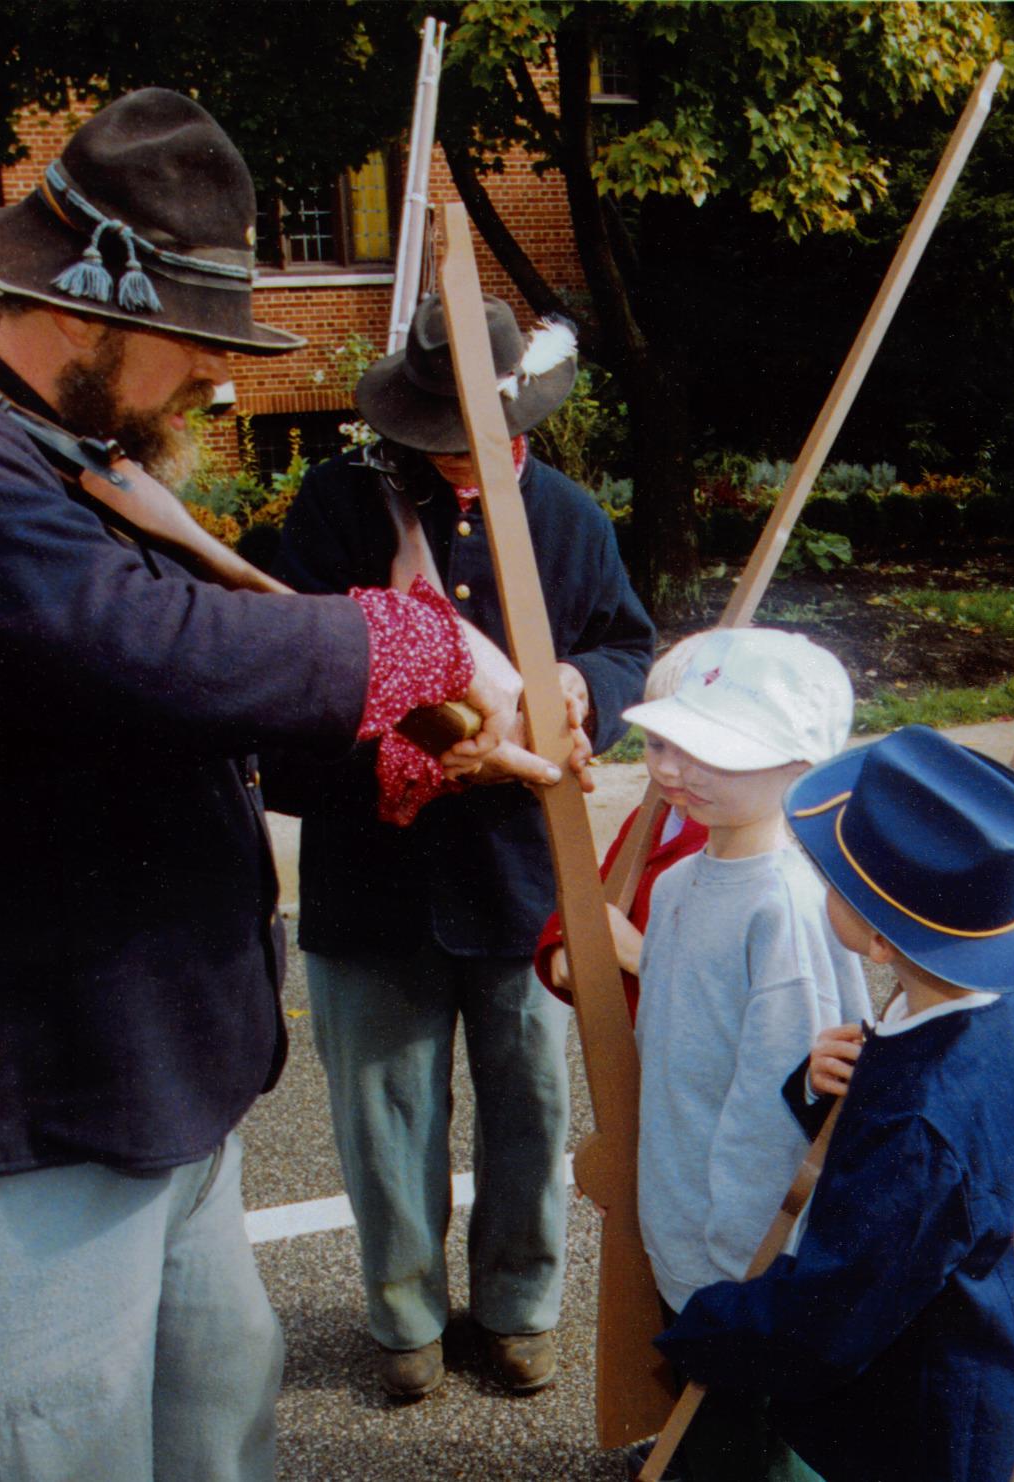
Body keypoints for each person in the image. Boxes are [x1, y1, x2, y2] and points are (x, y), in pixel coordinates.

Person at [0, 89, 545, 1482]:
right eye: (195, 346)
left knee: (221, 1446)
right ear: (88, 312)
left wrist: (397, 758)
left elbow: (178, 726)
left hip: (159, 1092)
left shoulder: (85, 471)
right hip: (15, 1117)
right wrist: (416, 636)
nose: (218, 382)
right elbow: (145, 656)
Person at [268, 294, 654, 1399]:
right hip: (373, 873)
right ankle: (404, 1319)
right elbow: (290, 696)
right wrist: (413, 762)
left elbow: (623, 642)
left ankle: (522, 1301)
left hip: (522, 876)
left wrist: (585, 687)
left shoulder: (569, 516)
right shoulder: (340, 511)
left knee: (530, 1102)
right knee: (387, 1117)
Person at [656, 724, 1014, 1482]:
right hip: (952, 1353)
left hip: (910, 1422)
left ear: (877, 942)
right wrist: (821, 1088)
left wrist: (701, 1327)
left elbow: (827, 1321)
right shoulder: (982, 1012)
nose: (823, 888)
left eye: (835, 885)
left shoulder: (922, 1120)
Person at [625, 627, 872, 1481]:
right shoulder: (675, 883)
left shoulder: (789, 908)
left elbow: (784, 1109)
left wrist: (738, 1268)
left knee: (749, 1440)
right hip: (681, 1217)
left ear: (799, 766)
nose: (671, 769)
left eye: (710, 751)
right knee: (710, 1432)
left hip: (741, 1253)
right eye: (662, 741)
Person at [536, 630, 715, 1020]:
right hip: (640, 1037)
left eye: (689, 749)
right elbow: (601, 893)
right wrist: (560, 946)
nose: (666, 769)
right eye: (655, 744)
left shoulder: (727, 845)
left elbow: (725, 989)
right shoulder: (654, 816)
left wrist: (638, 954)